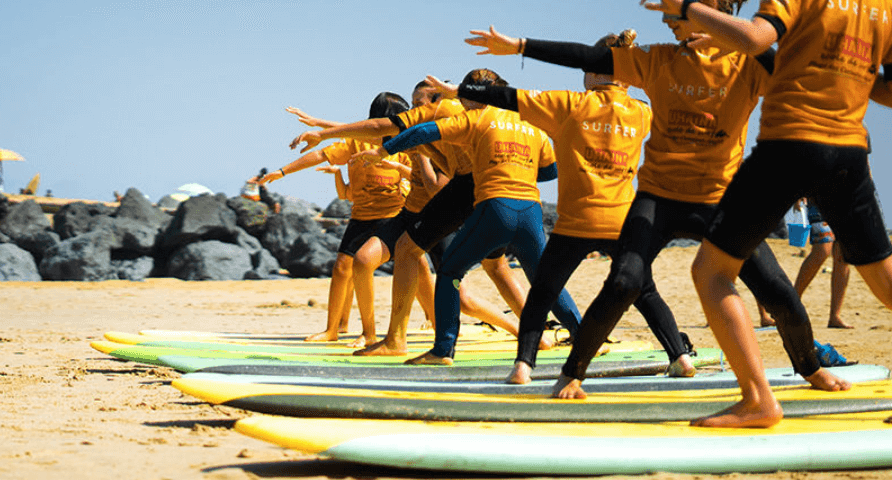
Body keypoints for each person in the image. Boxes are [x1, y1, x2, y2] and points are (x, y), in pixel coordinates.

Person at [469, 0, 847, 402]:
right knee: (625, 280)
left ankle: (811, 368)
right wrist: (518, 45)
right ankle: (572, 374)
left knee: (777, 290)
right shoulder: (659, 60)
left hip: (721, 200)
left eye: (672, 14)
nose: (667, 24)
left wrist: (731, 32)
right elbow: (587, 56)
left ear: (701, 8)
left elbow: (784, 67)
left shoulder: (749, 66)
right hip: (659, 198)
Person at [639, 0, 892, 427]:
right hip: (850, 150)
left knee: (711, 271)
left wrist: (684, 5)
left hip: (791, 145)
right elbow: (886, 87)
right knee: (885, 280)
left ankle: (759, 400)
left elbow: (755, 39)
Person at [424, 70, 696, 383]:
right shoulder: (639, 111)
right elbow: (667, 107)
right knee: (645, 291)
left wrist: (461, 91)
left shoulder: (573, 105)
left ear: (594, 74)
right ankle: (680, 356)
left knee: (542, 290)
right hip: (621, 216)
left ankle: (523, 367)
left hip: (579, 217)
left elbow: (512, 97)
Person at [289, 83, 530, 353]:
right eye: (412, 104)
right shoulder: (425, 126)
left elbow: (437, 187)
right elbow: (376, 129)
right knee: (367, 258)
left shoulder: (449, 130)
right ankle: (389, 338)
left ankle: (522, 331)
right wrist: (322, 129)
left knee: (466, 295)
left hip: (443, 218)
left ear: (437, 103)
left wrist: (420, 154)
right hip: (414, 216)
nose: (414, 109)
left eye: (418, 103)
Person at [370, 68, 582, 365]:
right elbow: (551, 170)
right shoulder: (532, 125)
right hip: (531, 212)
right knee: (546, 280)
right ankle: (585, 338)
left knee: (450, 273)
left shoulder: (478, 118)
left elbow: (423, 132)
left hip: (496, 208)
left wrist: (386, 150)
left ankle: (443, 350)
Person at [258, 92, 413, 346]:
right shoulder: (356, 142)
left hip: (393, 217)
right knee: (342, 268)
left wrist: (403, 177)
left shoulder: (404, 143)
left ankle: (432, 322)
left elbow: (418, 170)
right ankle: (333, 330)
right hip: (361, 216)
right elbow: (321, 155)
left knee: (415, 270)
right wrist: (283, 171)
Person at [790, 200, 852, 328]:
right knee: (822, 250)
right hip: (818, 196)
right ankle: (790, 305)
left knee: (842, 257)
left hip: (846, 198)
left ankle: (835, 316)